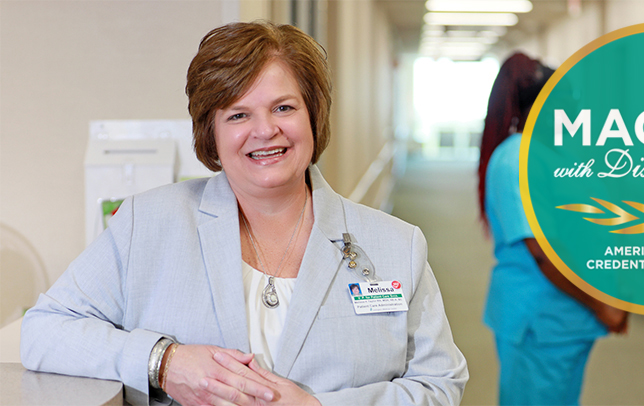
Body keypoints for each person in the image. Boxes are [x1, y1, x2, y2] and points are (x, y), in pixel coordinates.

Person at [21, 21, 467, 406]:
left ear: (313, 115)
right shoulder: (146, 224)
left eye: (283, 107)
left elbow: (439, 385)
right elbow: (44, 333)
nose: (264, 130)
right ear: (210, 132)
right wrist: (162, 361)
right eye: (237, 115)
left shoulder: (396, 245)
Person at [478, 52, 629, 406]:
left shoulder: (556, 154)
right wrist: (602, 305)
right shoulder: (516, 158)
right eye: (566, 103)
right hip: (541, 321)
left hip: (567, 320)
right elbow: (544, 253)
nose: (575, 113)